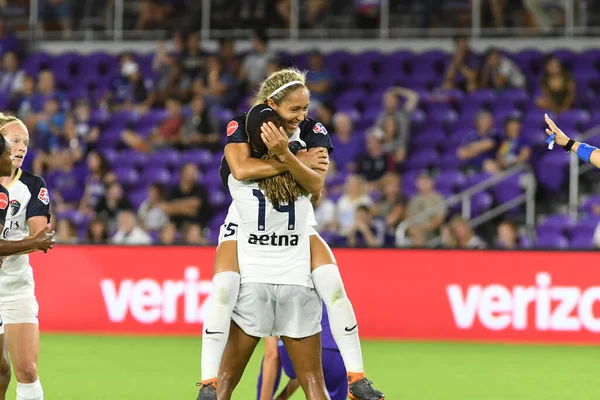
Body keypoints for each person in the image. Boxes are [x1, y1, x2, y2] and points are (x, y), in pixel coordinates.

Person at [198, 69, 384, 400]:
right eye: (294, 110)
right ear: (272, 105)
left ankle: (358, 379)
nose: (303, 116)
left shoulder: (313, 131)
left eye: (305, 108)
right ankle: (207, 382)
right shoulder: (243, 127)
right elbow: (241, 169)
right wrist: (295, 159)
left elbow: (316, 186)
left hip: (294, 228)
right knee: (223, 289)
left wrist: (285, 155)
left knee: (336, 290)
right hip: (246, 225)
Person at [215, 104, 329, 399]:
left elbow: (238, 168)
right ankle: (359, 375)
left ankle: (205, 378)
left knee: (224, 379)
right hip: (297, 281)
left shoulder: (238, 181)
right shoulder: (302, 179)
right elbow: (316, 187)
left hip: (256, 282)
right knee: (314, 382)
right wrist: (295, 158)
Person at [0, 113, 56, 400]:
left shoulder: (32, 185)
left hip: (15, 288)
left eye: (26, 142)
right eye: (15, 140)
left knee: (28, 370)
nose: (22, 147)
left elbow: (40, 238)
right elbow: (34, 240)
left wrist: (10, 247)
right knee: (0, 369)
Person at [257, 305, 347, 400]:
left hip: (295, 351)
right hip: (335, 352)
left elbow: (272, 355)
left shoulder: (271, 298)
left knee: (305, 368)